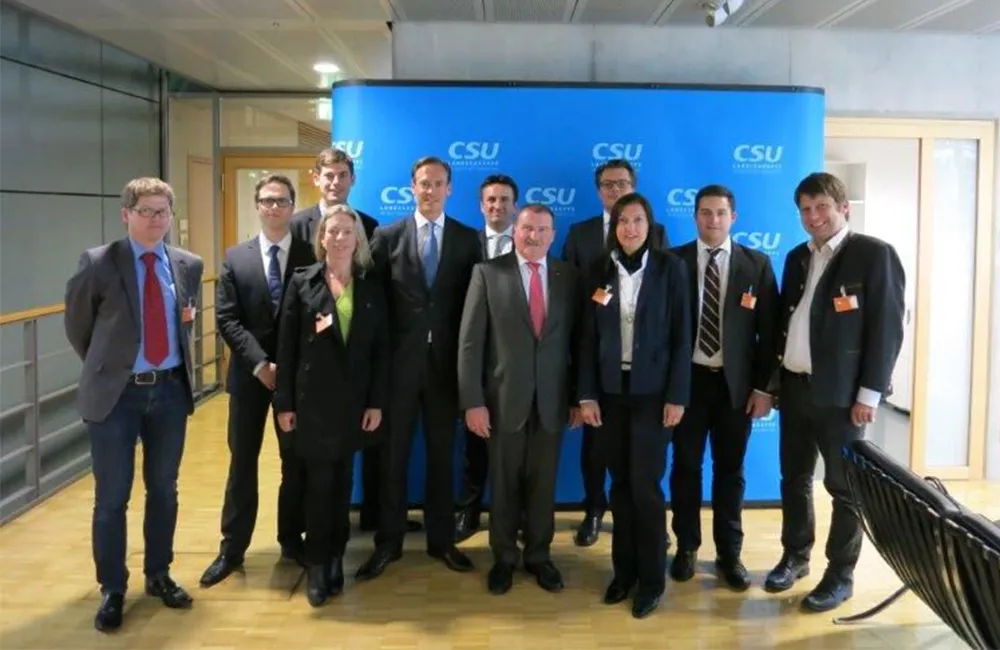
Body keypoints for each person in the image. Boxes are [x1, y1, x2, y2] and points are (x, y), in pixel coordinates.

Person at [64, 177, 204, 632]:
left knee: (164, 490)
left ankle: (158, 574)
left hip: (167, 392)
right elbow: (78, 328)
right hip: (116, 397)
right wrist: (113, 370)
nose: (155, 219)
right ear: (126, 214)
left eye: (162, 211)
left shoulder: (187, 264)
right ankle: (113, 589)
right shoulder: (99, 262)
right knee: (112, 498)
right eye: (146, 211)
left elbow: (184, 323)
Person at [764, 172, 905, 613]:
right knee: (794, 479)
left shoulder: (873, 254)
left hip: (845, 398)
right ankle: (795, 556)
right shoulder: (796, 257)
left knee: (845, 489)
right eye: (805, 209)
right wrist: (770, 384)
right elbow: (784, 325)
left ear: (843, 208)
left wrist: (870, 394)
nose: (813, 216)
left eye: (822, 206)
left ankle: (840, 574)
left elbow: (888, 329)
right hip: (795, 388)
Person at [355, 156, 482, 580]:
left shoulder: (468, 239)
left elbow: (473, 308)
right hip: (397, 369)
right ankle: (388, 543)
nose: (430, 190)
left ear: (450, 188)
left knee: (443, 458)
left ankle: (441, 541)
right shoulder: (387, 237)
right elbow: (371, 305)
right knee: (393, 458)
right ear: (412, 187)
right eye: (423, 183)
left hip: (446, 369)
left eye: (438, 183)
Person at [458, 203, 582, 595]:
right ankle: (504, 557)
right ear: (514, 230)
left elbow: (579, 344)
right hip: (501, 401)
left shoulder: (569, 277)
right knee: (505, 482)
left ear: (553, 234)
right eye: (527, 228)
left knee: (543, 484)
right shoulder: (487, 274)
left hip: (552, 401)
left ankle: (539, 556)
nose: (534, 236)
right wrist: (472, 401)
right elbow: (470, 344)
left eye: (543, 230)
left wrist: (580, 398)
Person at [577, 192, 690, 619]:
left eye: (638, 220)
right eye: (623, 221)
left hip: (652, 396)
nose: (630, 228)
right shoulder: (597, 270)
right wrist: (586, 394)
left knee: (645, 488)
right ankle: (622, 573)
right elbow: (586, 339)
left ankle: (652, 579)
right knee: (618, 487)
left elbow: (683, 337)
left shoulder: (670, 269)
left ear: (650, 225)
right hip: (609, 396)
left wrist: (678, 395)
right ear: (614, 226)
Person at [200, 174, 315, 588]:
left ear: (292, 206)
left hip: (295, 380)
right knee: (241, 464)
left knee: (295, 464)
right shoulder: (236, 257)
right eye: (266, 201)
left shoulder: (309, 253)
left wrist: (286, 366)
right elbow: (227, 318)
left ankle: (292, 540)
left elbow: (312, 317)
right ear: (257, 206)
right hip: (249, 379)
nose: (274, 208)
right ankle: (232, 549)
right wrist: (260, 363)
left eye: (281, 201)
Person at [274, 204, 390, 607]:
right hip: (312, 404)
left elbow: (380, 352)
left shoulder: (371, 284)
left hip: (355, 404)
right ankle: (319, 565)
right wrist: (284, 404)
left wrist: (376, 402)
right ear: (320, 238)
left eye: (346, 232)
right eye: (332, 231)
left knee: (342, 485)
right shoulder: (302, 281)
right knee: (319, 487)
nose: (338, 238)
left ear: (356, 238)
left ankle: (337, 555)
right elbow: (285, 347)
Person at [288, 147, 408, 534]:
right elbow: (294, 304)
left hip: (356, 373)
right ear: (316, 178)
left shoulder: (371, 226)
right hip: (311, 374)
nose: (335, 182)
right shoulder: (296, 225)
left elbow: (375, 310)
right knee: (310, 471)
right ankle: (300, 538)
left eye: (343, 174)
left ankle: (365, 525)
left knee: (357, 462)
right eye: (329, 175)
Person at [668, 184, 780, 591]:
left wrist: (765, 388)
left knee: (730, 472)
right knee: (685, 468)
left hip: (736, 389)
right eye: (705, 212)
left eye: (720, 213)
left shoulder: (757, 265)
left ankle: (729, 553)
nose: (712, 220)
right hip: (688, 385)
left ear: (733, 217)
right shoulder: (673, 261)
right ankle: (686, 546)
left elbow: (769, 336)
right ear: (694, 216)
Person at [562, 158, 669, 547]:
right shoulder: (579, 233)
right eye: (607, 185)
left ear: (634, 187)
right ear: (598, 191)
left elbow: (666, 311)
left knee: (644, 464)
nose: (615, 190)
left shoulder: (656, 233)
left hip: (647, 377)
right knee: (595, 450)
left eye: (622, 183)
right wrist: (581, 383)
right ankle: (593, 509)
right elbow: (575, 310)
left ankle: (650, 526)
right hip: (600, 369)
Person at [456, 173, 518, 543]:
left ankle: (515, 514)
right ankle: (469, 510)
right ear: (481, 205)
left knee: (518, 445)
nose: (497, 206)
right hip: (476, 359)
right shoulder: (464, 245)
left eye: (505, 200)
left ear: (515, 206)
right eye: (491, 200)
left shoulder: (529, 245)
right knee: (474, 443)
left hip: (516, 363)